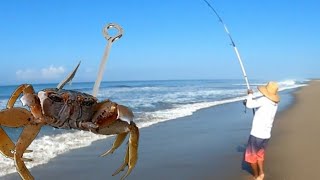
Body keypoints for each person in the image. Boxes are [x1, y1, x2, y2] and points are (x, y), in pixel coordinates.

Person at [244, 81, 280, 180]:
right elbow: (262, 109)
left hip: (257, 134)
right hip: (266, 135)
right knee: (260, 155)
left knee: (251, 158)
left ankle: (256, 177)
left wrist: (250, 95)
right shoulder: (274, 103)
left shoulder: (264, 100)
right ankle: (262, 173)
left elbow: (249, 105)